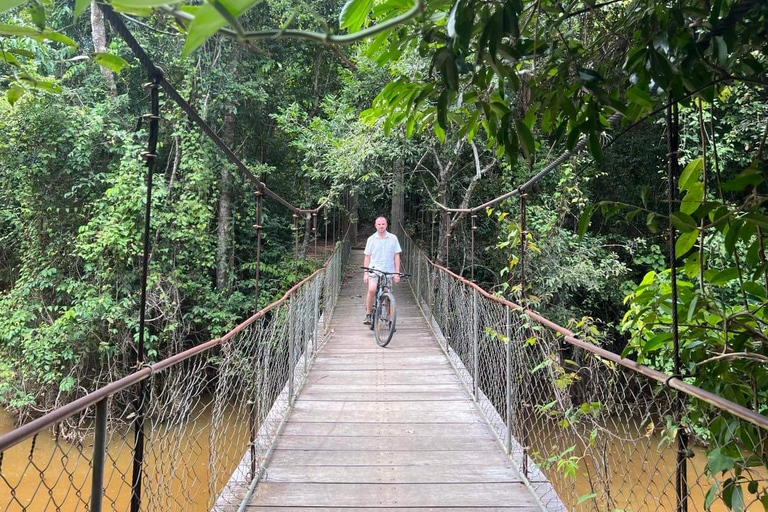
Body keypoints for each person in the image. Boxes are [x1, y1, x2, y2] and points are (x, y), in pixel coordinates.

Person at [363, 216, 402, 325]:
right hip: (374, 269)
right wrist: (366, 273)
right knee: (372, 289)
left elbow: (396, 256)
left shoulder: (393, 238)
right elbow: (367, 256)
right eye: (379, 224)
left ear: (386, 225)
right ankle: (368, 314)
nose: (381, 226)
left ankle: (389, 317)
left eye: (383, 224)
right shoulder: (371, 239)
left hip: (388, 270)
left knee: (388, 294)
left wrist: (397, 273)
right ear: (375, 226)